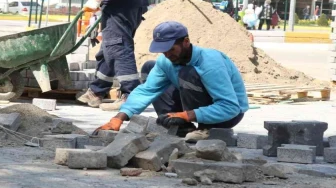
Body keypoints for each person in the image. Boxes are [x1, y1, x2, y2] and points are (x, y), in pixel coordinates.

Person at [94, 21, 249, 141]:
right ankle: (183, 128)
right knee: (151, 67)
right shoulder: (167, 61)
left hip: (227, 116)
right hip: (196, 108)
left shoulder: (210, 63)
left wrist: (187, 115)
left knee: (187, 72)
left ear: (186, 42)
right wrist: (119, 118)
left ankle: (204, 128)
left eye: (171, 49)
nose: (167, 54)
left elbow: (231, 107)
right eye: (163, 50)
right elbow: (147, 90)